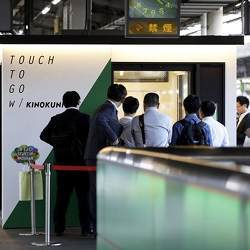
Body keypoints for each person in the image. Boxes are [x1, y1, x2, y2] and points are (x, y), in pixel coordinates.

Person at [40, 91, 90, 237]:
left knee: (62, 197)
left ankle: (59, 228)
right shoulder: (86, 119)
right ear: (78, 102)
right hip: (82, 164)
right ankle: (85, 228)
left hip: (62, 164)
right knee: (83, 198)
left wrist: (57, 145)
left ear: (63, 102)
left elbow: (43, 135)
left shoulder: (56, 119)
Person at [84, 84, 127, 234]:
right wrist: (114, 138)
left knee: (96, 191)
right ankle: (97, 227)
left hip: (95, 155)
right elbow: (101, 121)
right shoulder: (107, 109)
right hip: (96, 156)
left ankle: (97, 226)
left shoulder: (105, 107)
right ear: (122, 97)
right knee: (96, 192)